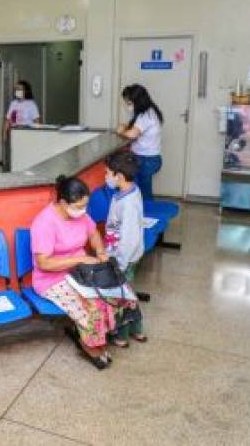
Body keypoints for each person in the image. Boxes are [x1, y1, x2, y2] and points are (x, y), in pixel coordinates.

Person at [30, 175, 137, 370]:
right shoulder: (44, 223)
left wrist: (100, 251)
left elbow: (93, 233)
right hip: (51, 279)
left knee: (112, 294)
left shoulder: (80, 215)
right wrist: (79, 258)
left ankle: (101, 335)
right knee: (92, 305)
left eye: (84, 206)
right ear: (63, 202)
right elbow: (44, 263)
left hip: (81, 271)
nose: (83, 211)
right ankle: (90, 344)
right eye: (79, 207)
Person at [103, 152, 147, 347]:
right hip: (124, 254)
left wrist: (119, 262)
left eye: (107, 173)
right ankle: (137, 330)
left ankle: (121, 336)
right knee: (128, 293)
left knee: (120, 296)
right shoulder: (130, 191)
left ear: (119, 176)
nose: (106, 177)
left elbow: (129, 238)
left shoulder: (127, 203)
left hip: (124, 258)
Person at [116, 84, 163, 200]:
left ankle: (146, 214)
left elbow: (132, 134)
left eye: (129, 103)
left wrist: (121, 132)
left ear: (138, 101)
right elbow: (133, 125)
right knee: (142, 189)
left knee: (143, 192)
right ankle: (144, 210)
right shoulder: (148, 111)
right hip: (148, 158)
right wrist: (125, 126)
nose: (128, 107)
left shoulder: (145, 115)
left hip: (146, 160)